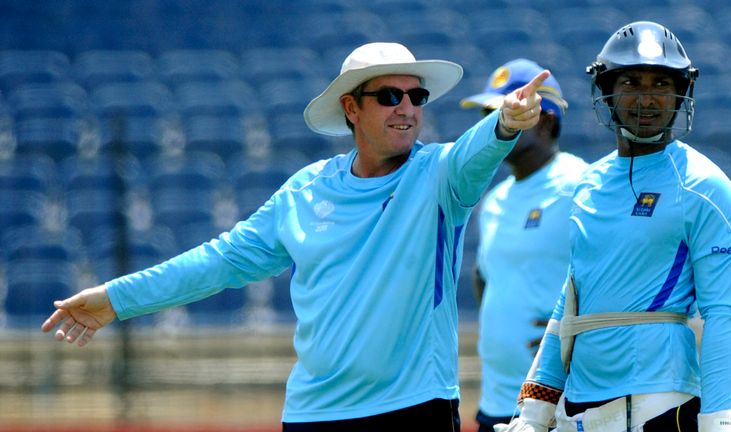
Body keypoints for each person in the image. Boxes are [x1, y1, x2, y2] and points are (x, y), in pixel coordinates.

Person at [41, 42, 551, 432]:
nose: (408, 108)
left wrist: (507, 120)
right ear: (352, 108)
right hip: (313, 412)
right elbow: (219, 261)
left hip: (413, 408)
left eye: (416, 96)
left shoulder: (441, 174)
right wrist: (117, 298)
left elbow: (477, 148)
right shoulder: (306, 189)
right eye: (390, 96)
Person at [495, 21, 731, 432]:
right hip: (577, 405)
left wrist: (717, 421)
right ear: (608, 91)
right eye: (632, 81)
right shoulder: (587, 184)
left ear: (680, 92)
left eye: (661, 84)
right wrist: (535, 407)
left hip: (661, 403)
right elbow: (571, 304)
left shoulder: (705, 186)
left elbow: (724, 315)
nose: (647, 98)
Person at [459, 59, 588, 432]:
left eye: (507, 110)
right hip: (496, 399)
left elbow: (620, 276)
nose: (494, 123)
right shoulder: (495, 199)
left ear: (546, 119)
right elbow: (486, 277)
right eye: (490, 113)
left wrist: (573, 331)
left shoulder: (581, 185)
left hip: (558, 406)